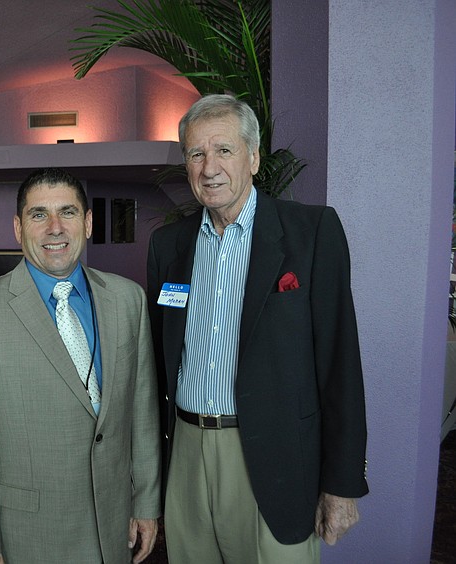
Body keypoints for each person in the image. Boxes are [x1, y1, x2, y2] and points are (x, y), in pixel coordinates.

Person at [147, 94, 368, 563]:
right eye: (195, 153)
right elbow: (157, 363)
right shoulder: (168, 244)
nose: (209, 167)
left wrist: (342, 484)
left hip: (276, 456)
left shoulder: (311, 232)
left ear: (253, 156)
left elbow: (340, 364)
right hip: (185, 453)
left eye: (223, 150)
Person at [0, 167, 161, 564]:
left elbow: (142, 414)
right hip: (25, 537)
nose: (55, 227)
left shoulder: (128, 299)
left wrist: (145, 501)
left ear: (88, 223)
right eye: (39, 214)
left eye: (68, 213)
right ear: (19, 228)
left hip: (113, 526)